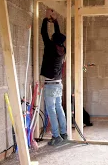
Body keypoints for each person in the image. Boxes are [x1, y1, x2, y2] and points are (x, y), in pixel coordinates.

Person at [41, 8, 67, 146]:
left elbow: (43, 33)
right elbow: (57, 35)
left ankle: (56, 136)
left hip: (50, 84)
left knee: (51, 109)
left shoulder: (50, 47)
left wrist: (46, 18)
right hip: (58, 83)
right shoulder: (62, 49)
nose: (50, 37)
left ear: (53, 40)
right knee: (59, 107)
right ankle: (64, 133)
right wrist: (55, 20)